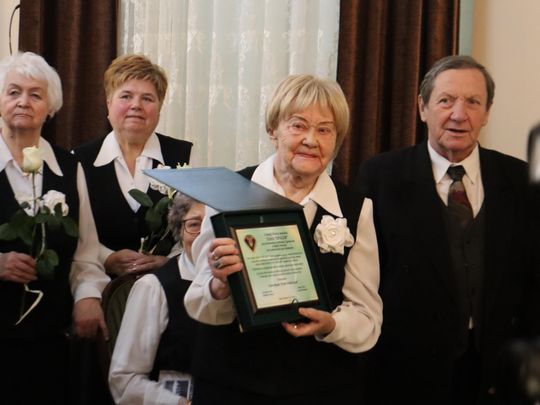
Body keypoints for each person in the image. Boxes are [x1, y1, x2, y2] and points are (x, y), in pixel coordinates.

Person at [184, 74, 382, 403]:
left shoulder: (356, 209)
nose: (311, 140)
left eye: (325, 130)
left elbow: (366, 315)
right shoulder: (226, 192)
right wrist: (219, 286)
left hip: (318, 387)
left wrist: (330, 325)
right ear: (273, 130)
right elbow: (198, 302)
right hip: (230, 382)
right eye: (298, 125)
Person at [356, 55, 540, 404]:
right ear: (422, 108)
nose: (459, 114)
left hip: (496, 378)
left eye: (473, 102)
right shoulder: (381, 176)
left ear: (487, 112)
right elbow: (363, 282)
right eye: (446, 100)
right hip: (406, 377)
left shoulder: (519, 179)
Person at [0, 52, 109, 404]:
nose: (23, 101)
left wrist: (88, 297)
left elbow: (85, 252)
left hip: (49, 340)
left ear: (50, 108)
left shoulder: (69, 166)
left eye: (36, 94)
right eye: (13, 92)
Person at [74, 54, 192, 276]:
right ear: (108, 104)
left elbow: (196, 228)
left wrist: (169, 262)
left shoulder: (184, 157)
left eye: (147, 99)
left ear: (159, 108)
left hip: (166, 284)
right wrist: (106, 258)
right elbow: (74, 232)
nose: (136, 105)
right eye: (126, 96)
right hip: (98, 284)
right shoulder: (79, 160)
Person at [109, 193, 204, 405]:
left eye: (212, 224)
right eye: (194, 224)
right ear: (179, 230)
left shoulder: (239, 284)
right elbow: (124, 381)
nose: (204, 235)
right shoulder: (153, 287)